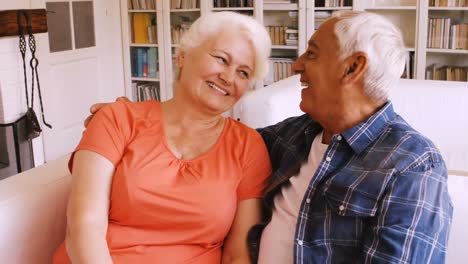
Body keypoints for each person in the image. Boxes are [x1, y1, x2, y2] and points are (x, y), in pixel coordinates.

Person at [86, 11, 453, 264]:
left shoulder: (411, 165)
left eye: (311, 53)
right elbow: (211, 141)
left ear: (352, 68)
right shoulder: (296, 134)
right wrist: (131, 119)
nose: (295, 66)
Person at [53, 11, 273, 264]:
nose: (228, 77)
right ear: (182, 56)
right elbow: (84, 226)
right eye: (221, 59)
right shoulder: (117, 119)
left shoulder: (248, 146)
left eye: (244, 73)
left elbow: (238, 254)